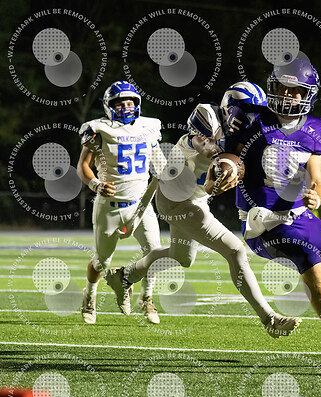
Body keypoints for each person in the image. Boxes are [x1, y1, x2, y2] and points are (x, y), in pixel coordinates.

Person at [220, 60, 321, 368]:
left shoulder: (318, 129)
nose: (287, 94)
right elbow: (230, 155)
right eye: (282, 87)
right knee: (309, 258)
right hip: (263, 221)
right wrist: (227, 168)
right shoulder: (251, 117)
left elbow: (318, 181)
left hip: (300, 216)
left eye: (294, 89)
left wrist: (317, 197)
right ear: (272, 87)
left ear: (307, 94)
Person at [104, 83, 301, 338]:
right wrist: (220, 158)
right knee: (235, 250)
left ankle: (123, 276)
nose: (251, 117)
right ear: (229, 109)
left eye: (256, 111)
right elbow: (201, 142)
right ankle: (269, 318)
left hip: (192, 199)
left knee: (181, 257)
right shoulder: (208, 117)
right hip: (177, 201)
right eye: (246, 111)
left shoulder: (247, 133)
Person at [77, 81, 162, 325]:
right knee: (101, 261)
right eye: (119, 103)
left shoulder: (149, 127)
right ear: (109, 106)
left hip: (141, 205)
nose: (125, 107)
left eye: (129, 103)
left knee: (155, 254)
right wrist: (96, 184)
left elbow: (160, 164)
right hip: (110, 206)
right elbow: (82, 166)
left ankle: (146, 298)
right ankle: (89, 296)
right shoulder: (98, 129)